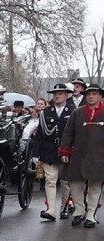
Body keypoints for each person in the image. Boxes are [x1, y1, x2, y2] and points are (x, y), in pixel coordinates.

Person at [58, 83, 104, 228]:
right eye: (89, 94)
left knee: (95, 185)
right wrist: (64, 151)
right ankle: (79, 211)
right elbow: (68, 133)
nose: (91, 96)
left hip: (99, 155)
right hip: (78, 154)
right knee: (75, 183)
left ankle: (91, 215)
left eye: (94, 94)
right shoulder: (77, 113)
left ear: (100, 96)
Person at [32, 84, 74, 221]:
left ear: (66, 95)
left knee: (66, 181)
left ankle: (64, 207)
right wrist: (35, 154)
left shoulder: (73, 111)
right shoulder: (46, 112)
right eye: (55, 93)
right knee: (50, 180)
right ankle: (51, 210)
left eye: (60, 93)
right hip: (49, 150)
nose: (57, 96)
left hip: (67, 150)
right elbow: (40, 135)